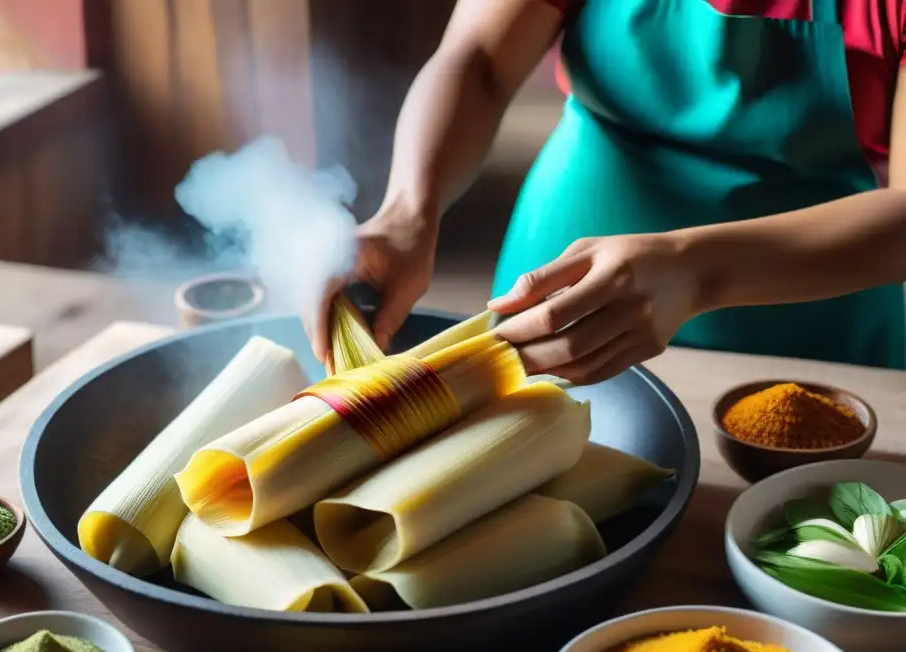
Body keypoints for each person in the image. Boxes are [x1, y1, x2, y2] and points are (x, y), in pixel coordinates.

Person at [309, 0, 906, 384]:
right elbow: (479, 59)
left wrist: (694, 271)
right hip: (570, 263)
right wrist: (408, 210)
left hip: (813, 286)